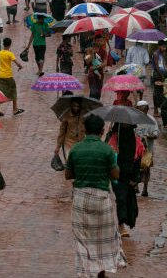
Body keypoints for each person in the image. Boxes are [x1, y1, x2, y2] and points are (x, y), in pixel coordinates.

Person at [65, 115, 127, 278]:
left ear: (85, 130)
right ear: (102, 131)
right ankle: (100, 273)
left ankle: (86, 272)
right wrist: (114, 160)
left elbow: (68, 174)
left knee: (83, 239)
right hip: (101, 199)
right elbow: (115, 174)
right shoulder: (107, 150)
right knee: (103, 239)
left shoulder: (76, 149)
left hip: (80, 198)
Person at [108, 123, 143, 237]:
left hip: (130, 174)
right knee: (121, 198)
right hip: (117, 174)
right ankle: (121, 225)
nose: (125, 126)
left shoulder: (136, 140)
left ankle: (123, 222)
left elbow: (138, 159)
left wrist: (135, 178)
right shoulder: (112, 139)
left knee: (128, 199)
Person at [134, 101, 160, 197]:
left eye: (144, 110)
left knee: (146, 168)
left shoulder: (151, 120)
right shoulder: (133, 120)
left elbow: (156, 133)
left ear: (147, 110)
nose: (143, 113)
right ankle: (135, 185)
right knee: (135, 167)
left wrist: (149, 136)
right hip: (135, 150)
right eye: (141, 110)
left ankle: (145, 188)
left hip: (148, 150)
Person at [0, 38, 24, 116]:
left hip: (1, 75)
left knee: (0, 93)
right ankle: (15, 109)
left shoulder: (0, 53)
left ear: (3, 44)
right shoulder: (10, 54)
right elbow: (17, 63)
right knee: (13, 92)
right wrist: (20, 66)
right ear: (10, 44)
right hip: (8, 76)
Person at [55, 95, 87, 164]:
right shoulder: (66, 116)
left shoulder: (84, 115)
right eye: (74, 106)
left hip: (80, 143)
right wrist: (58, 146)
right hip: (69, 143)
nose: (76, 108)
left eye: (78, 106)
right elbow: (62, 132)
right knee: (69, 163)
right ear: (71, 105)